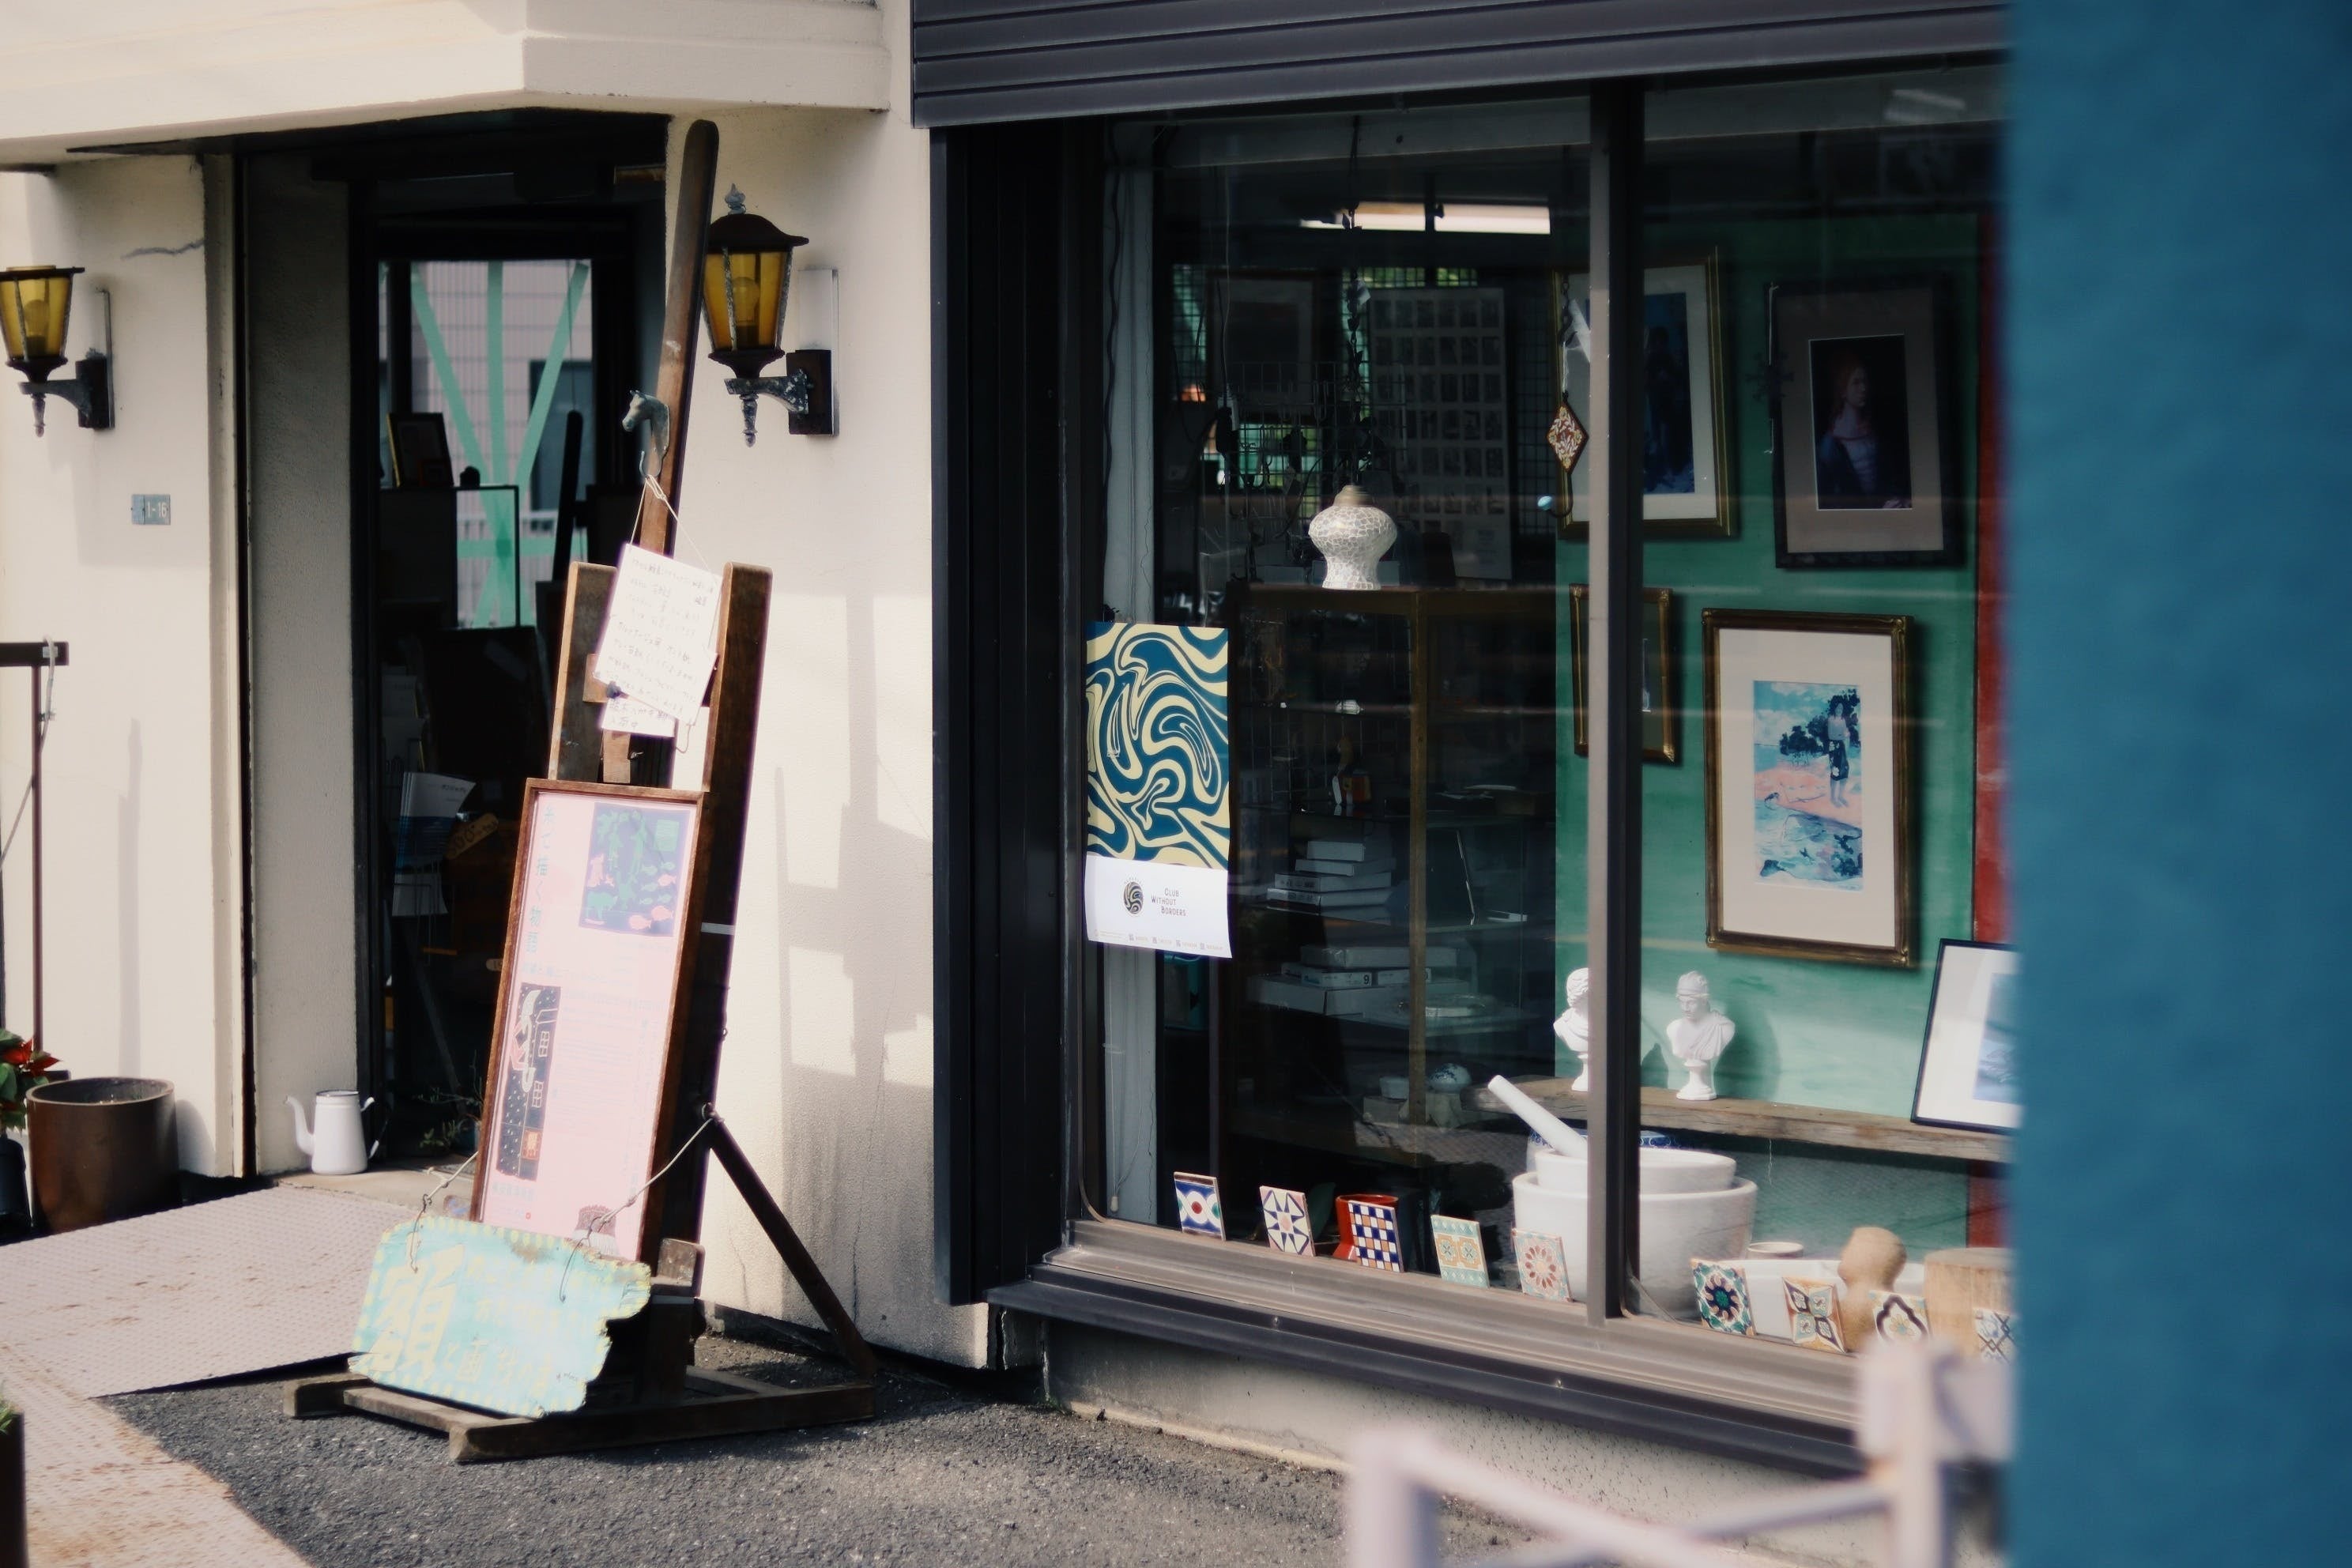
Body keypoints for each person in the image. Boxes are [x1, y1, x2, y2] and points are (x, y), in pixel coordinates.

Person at [1814, 350, 1910, 509]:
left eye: (1864, 381)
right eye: (1856, 383)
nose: (1863, 388)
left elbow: (1888, 480)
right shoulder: (1830, 445)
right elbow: (1834, 500)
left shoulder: (1874, 433)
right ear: (1843, 390)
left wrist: (1896, 501)